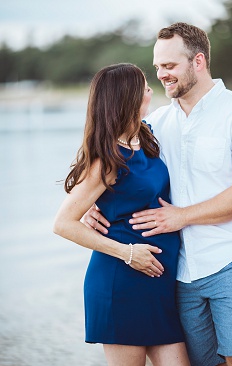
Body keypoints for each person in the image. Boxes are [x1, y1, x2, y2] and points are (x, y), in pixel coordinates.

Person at [84, 23, 232, 366]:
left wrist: (181, 216)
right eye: (157, 67)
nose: (161, 76)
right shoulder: (155, 124)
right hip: (179, 270)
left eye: (169, 66)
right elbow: (107, 156)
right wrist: (91, 205)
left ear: (197, 62)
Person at [53, 63, 190, 366]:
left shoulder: (148, 136)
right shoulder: (108, 159)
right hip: (122, 280)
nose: (150, 90)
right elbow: (62, 223)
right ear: (127, 96)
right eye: (143, 86)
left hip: (158, 282)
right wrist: (127, 253)